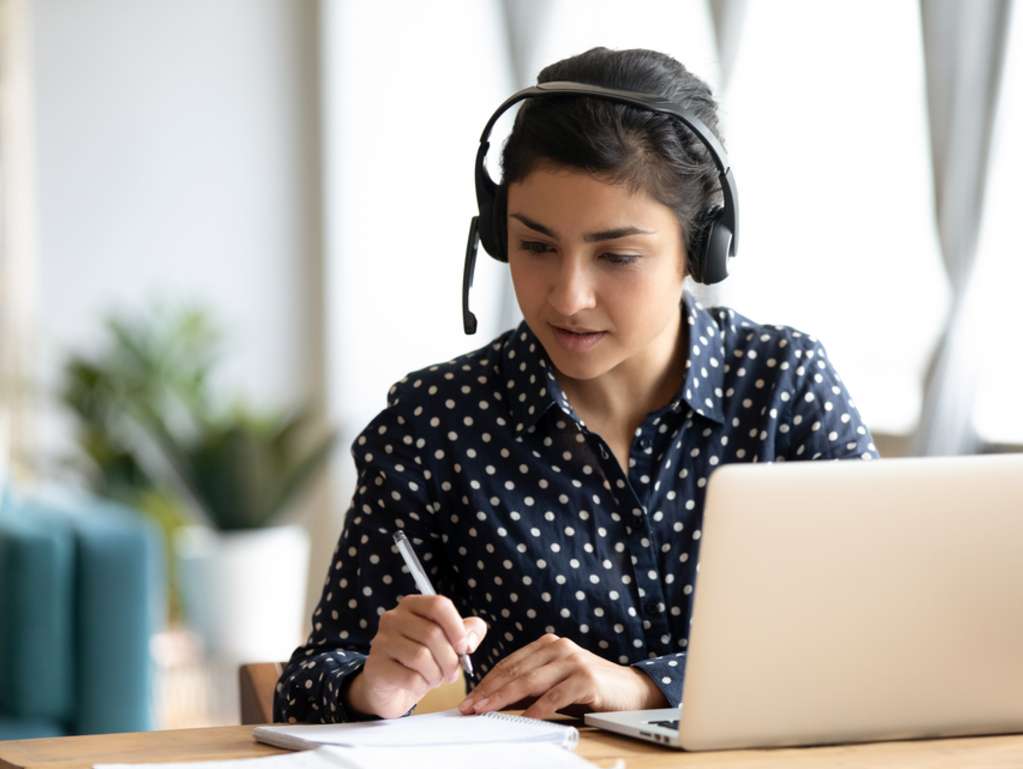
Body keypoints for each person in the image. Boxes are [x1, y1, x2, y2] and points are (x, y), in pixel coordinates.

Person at [274, 46, 878, 725]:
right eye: (535, 247)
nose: (568, 296)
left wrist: (645, 684)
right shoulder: (434, 422)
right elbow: (311, 675)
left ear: (702, 249)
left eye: (617, 256)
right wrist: (370, 686)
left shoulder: (783, 387)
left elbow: (880, 625)